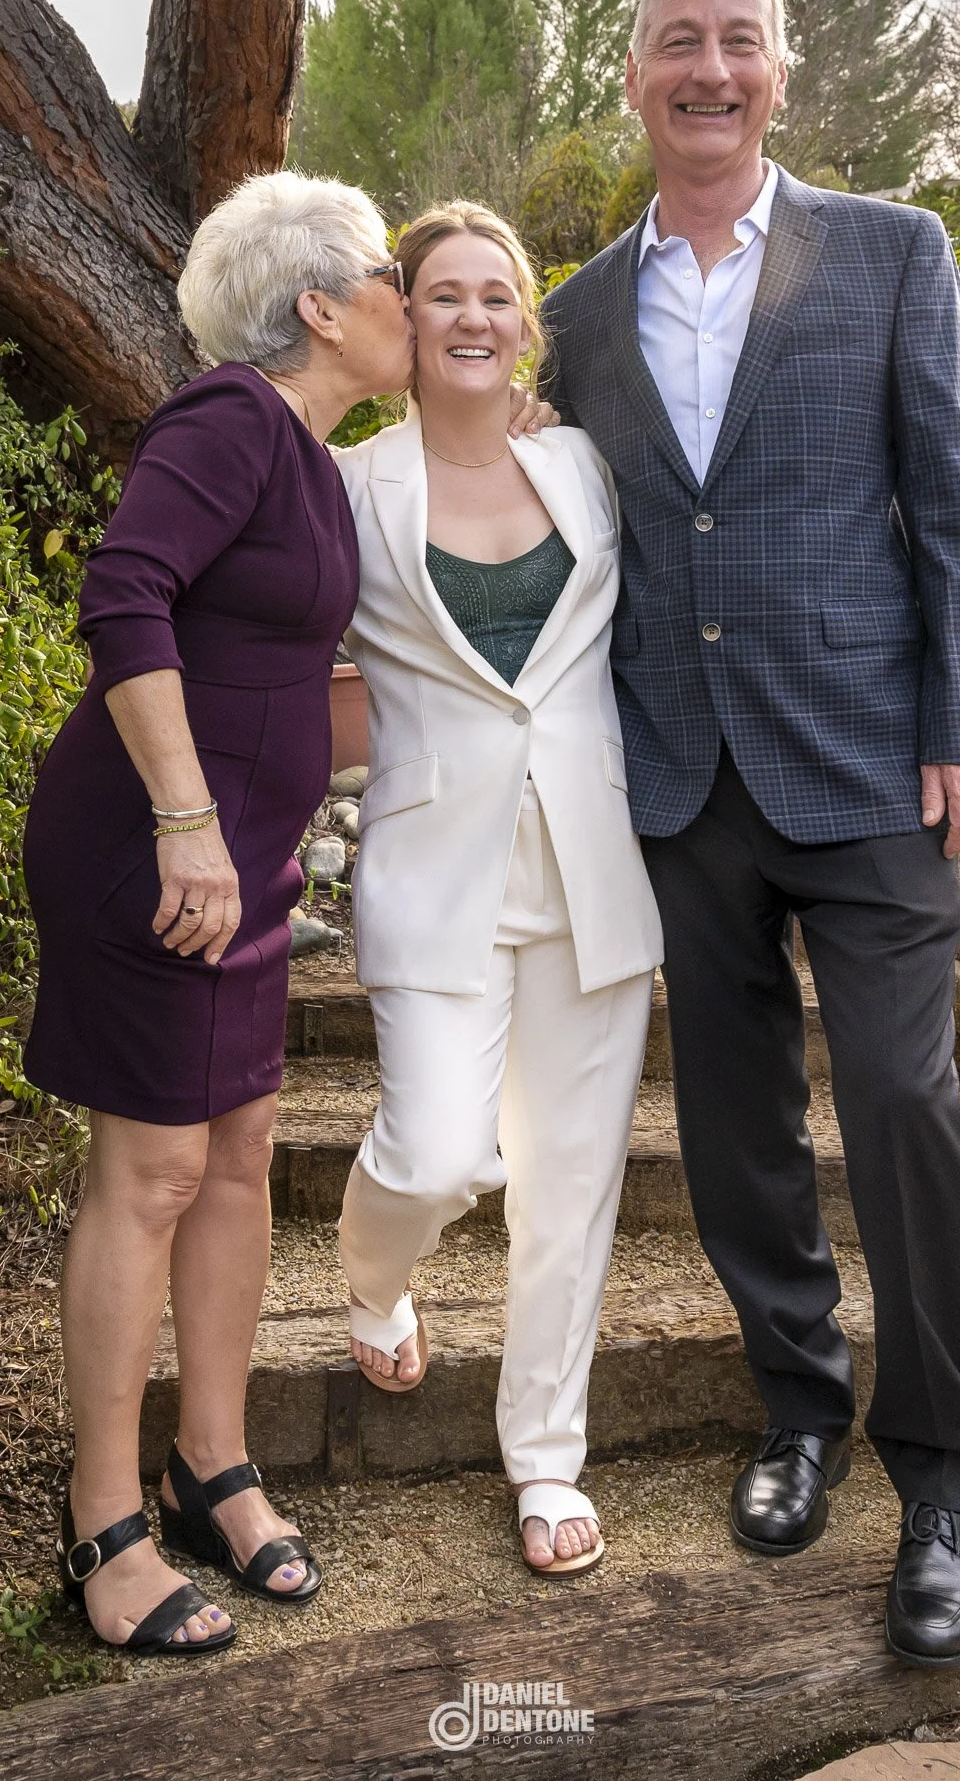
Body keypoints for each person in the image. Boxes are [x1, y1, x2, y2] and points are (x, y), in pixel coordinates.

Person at [540, 0, 960, 1667]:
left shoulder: (893, 252)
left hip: (872, 761)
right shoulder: (577, 313)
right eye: (680, 41)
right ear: (635, 74)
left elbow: (956, 509)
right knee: (737, 1129)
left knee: (900, 1101)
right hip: (680, 773)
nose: (711, 70)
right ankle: (798, 1409)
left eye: (739, 41)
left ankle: (947, 1480)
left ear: (782, 72)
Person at [23, 173, 548, 1653]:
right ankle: (104, 1519)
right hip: (152, 849)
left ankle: (212, 1464)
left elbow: (293, 680)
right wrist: (185, 822)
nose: (408, 296)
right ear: (320, 306)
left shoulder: (312, 463)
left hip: (244, 863)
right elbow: (125, 596)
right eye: (389, 275)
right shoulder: (230, 417)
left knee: (240, 1160)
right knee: (153, 1173)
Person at [334, 203, 664, 1576]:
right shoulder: (352, 486)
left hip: (591, 868)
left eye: (495, 295)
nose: (471, 316)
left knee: (571, 1188)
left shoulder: (586, 464)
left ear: (527, 322)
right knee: (438, 1155)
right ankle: (371, 1280)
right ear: (404, 318)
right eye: (444, 295)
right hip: (434, 869)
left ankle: (546, 1456)